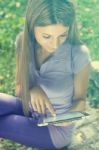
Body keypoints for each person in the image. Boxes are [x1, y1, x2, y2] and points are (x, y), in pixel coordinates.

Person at [0, 0, 92, 149]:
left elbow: (80, 100)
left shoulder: (79, 53)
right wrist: (32, 90)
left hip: (55, 129)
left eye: (62, 35)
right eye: (47, 36)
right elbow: (18, 89)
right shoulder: (23, 42)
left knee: (2, 124)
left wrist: (70, 116)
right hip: (28, 109)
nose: (55, 44)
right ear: (32, 26)